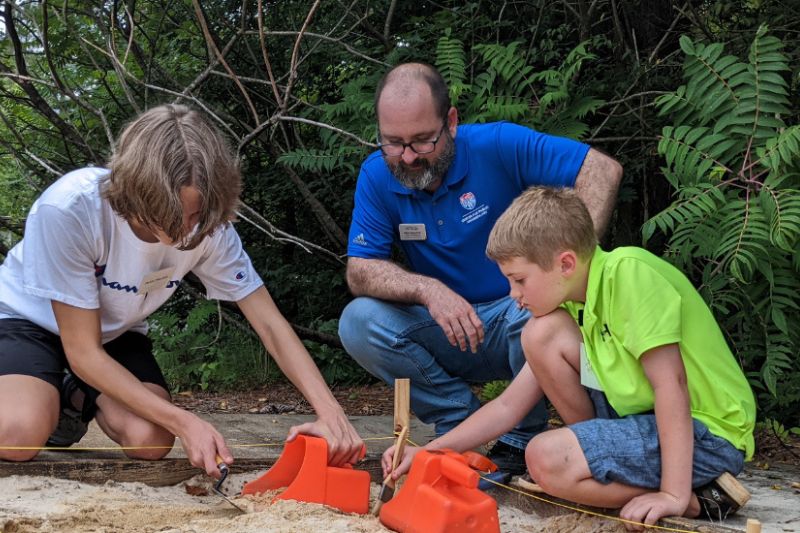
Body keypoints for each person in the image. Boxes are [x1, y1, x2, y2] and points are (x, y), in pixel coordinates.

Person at [0, 104, 363, 475]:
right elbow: (83, 351)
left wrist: (332, 414)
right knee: (16, 435)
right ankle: (45, 392)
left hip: (115, 332)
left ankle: (75, 397)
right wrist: (186, 422)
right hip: (28, 321)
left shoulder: (210, 226)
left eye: (195, 214)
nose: (185, 231)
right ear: (135, 192)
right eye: (170, 213)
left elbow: (269, 323)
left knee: (151, 440)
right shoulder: (70, 209)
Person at [383, 187, 756, 528]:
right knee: (540, 334)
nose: (513, 294)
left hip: (708, 432)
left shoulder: (629, 274)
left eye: (520, 280)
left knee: (544, 457)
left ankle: (693, 500)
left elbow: (670, 384)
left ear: (564, 264)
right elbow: (508, 406)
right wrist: (429, 451)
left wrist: (673, 494)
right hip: (644, 424)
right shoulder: (575, 304)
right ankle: (597, 461)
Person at [338, 62, 622, 474]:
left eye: (422, 141)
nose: (408, 157)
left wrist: (571, 272)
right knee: (358, 321)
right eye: (392, 142)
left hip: (519, 313)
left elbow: (601, 169)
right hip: (447, 326)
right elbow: (360, 270)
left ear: (451, 121)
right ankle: (459, 422)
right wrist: (429, 291)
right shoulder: (377, 174)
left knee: (538, 314)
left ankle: (521, 436)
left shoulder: (498, 144)